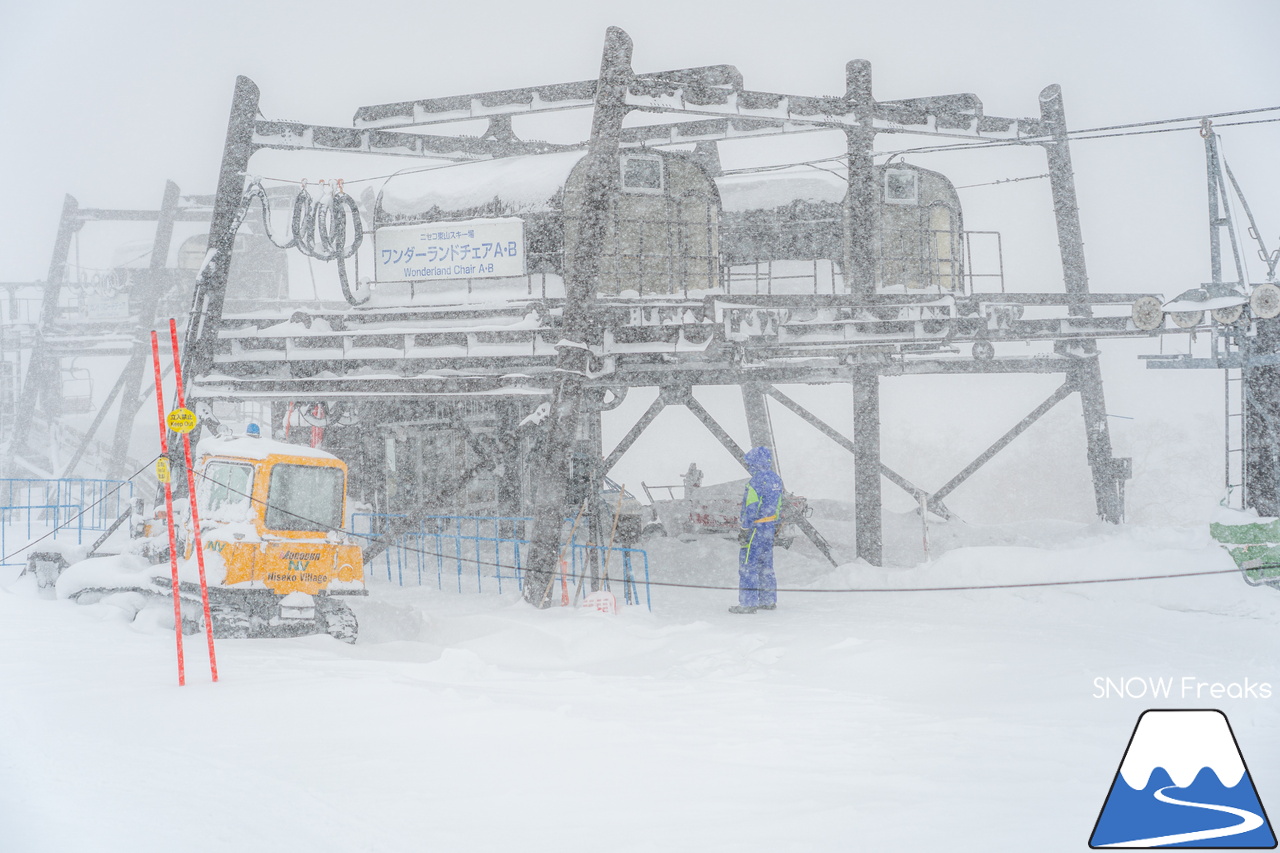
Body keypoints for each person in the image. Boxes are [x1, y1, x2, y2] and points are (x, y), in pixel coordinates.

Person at [731, 446, 783, 614]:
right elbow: (779, 505)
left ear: (755, 462)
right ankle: (768, 600)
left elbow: (750, 507)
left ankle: (748, 603)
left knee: (748, 564)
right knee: (765, 564)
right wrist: (775, 523)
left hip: (755, 528)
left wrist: (745, 528)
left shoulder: (755, 482)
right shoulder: (776, 480)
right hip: (768, 527)